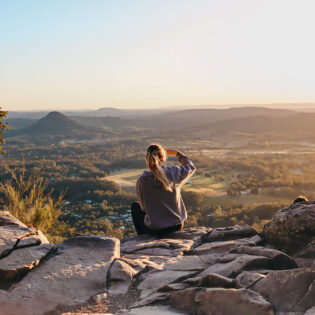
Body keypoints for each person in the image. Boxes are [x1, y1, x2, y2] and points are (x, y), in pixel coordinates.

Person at [131, 143, 196, 236]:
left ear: (147, 159)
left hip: (156, 229)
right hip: (177, 225)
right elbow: (190, 167)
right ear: (162, 158)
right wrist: (178, 153)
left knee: (135, 206)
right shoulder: (174, 173)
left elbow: (143, 207)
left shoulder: (142, 180)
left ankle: (144, 238)